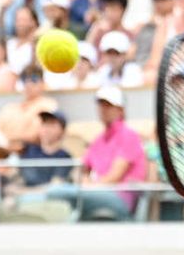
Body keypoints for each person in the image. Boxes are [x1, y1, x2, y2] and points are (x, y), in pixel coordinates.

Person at [46, 87, 147, 221]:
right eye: (101, 105)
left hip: (120, 197)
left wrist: (89, 186)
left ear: (120, 109)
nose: (103, 109)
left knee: (56, 192)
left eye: (109, 106)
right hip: (97, 193)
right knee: (60, 201)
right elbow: (81, 170)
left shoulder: (129, 136)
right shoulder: (98, 140)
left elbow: (114, 177)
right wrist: (84, 180)